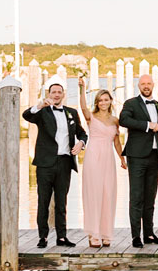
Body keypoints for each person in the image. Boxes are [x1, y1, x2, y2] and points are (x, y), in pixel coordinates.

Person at [23, 81, 87, 249]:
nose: (56, 94)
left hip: (65, 162)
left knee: (61, 201)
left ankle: (62, 236)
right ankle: (42, 237)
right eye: (53, 92)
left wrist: (81, 143)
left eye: (59, 92)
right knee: (43, 201)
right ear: (49, 94)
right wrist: (39, 105)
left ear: (63, 94)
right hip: (45, 163)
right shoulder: (42, 112)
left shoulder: (71, 112)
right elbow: (26, 115)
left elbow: (82, 133)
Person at [119, 74, 158, 248]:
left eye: (149, 83)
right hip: (137, 156)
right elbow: (123, 120)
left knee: (150, 197)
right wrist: (147, 125)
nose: (146, 86)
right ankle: (135, 236)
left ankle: (149, 234)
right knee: (136, 197)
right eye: (143, 84)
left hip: (154, 156)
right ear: (138, 86)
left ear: (153, 85)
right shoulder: (131, 103)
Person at [79, 78, 125, 248]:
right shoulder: (91, 117)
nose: (103, 102)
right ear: (97, 102)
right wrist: (82, 88)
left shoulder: (115, 120)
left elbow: (117, 142)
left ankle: (106, 233)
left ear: (111, 101)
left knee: (108, 193)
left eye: (106, 99)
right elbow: (83, 107)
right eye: (100, 100)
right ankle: (93, 234)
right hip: (93, 156)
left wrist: (122, 158)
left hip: (108, 158)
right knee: (94, 193)